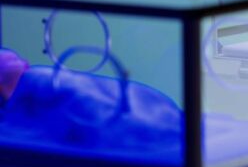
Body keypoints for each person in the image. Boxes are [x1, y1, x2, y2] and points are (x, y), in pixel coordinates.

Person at [0, 49, 181, 154]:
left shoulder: (38, 77)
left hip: (46, 83)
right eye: (11, 61)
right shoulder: (26, 94)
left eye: (15, 59)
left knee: (114, 99)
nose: (18, 61)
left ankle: (159, 125)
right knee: (91, 108)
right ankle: (155, 128)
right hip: (42, 92)